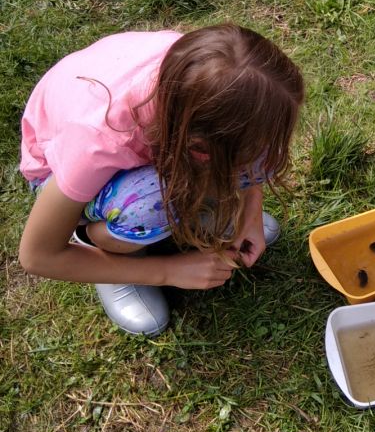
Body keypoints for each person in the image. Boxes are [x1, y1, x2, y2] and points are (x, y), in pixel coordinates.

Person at [18, 24, 304, 338]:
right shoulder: (98, 141)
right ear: (198, 146)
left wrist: (250, 212)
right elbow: (38, 256)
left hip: (168, 139)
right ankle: (106, 247)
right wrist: (167, 271)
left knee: (259, 151)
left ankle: (188, 214)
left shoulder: (207, 73)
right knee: (150, 201)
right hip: (60, 170)